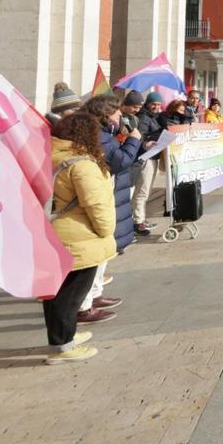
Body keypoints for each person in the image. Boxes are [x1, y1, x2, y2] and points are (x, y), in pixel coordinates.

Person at [44, 112, 117, 364]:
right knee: (71, 293)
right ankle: (63, 346)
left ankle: (64, 338)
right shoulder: (81, 163)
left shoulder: (51, 155)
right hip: (79, 235)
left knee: (58, 292)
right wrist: (106, 231)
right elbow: (95, 203)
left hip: (56, 230)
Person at [77, 93, 141, 324]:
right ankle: (84, 305)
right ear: (105, 114)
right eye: (116, 112)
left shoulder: (107, 133)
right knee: (95, 254)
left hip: (111, 193)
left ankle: (94, 295)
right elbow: (119, 161)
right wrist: (134, 139)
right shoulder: (99, 135)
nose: (120, 115)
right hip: (100, 197)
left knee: (103, 252)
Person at [129, 92, 165, 236]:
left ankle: (141, 218)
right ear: (148, 104)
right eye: (153, 104)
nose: (156, 107)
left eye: (158, 104)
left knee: (146, 190)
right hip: (146, 158)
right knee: (142, 191)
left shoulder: (153, 116)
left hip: (153, 156)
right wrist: (155, 137)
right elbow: (142, 136)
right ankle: (138, 222)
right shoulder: (144, 117)